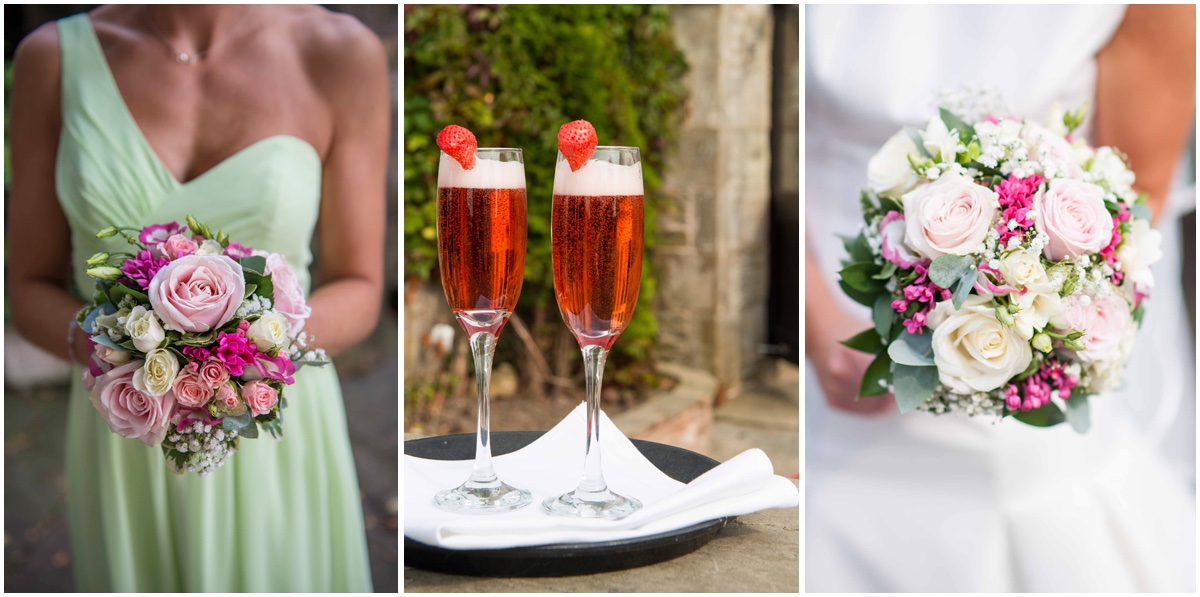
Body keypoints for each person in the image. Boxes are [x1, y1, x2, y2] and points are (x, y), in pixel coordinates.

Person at [805, 5, 1195, 592]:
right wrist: (814, 319)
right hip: (830, 372)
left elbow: (1138, 197)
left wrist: (1023, 328)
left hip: (1015, 395)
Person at [7, 5, 388, 591]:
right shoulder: (53, 58)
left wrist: (250, 349)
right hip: (127, 430)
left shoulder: (340, 53)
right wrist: (124, 351)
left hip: (275, 422)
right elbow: (26, 285)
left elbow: (360, 285)